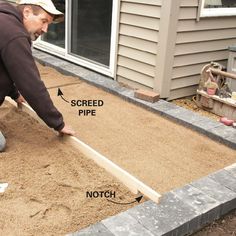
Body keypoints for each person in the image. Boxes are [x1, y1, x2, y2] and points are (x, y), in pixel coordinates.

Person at [0, 0, 75, 151]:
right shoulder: (14, 34)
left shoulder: (4, 19)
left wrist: (14, 93)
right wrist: (58, 123)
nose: (45, 29)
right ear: (26, 12)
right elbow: (31, 84)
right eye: (43, 21)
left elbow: (5, 66)